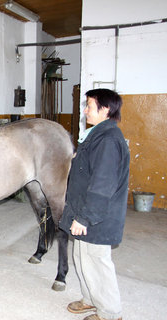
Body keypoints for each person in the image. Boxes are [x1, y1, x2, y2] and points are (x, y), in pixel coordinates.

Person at [59, 88, 130, 320]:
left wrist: (84, 218)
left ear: (105, 109)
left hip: (97, 217)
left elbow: (103, 184)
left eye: (89, 105)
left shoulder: (108, 140)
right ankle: (91, 299)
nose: (85, 110)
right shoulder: (97, 134)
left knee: (98, 262)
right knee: (82, 258)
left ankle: (110, 313)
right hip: (84, 210)